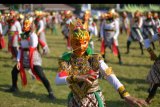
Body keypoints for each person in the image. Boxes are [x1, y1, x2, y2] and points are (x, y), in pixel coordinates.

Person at [55, 18, 148, 107]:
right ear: (71, 43)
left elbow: (109, 74)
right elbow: (58, 80)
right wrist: (78, 77)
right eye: (77, 43)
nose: (81, 46)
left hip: (93, 100)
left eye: (84, 42)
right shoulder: (66, 59)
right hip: (75, 100)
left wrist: (125, 95)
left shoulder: (94, 58)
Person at [5, 18, 56, 100]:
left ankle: (51, 93)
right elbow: (21, 49)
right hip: (23, 57)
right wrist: (18, 61)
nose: (25, 26)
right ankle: (14, 87)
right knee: (14, 71)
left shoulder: (33, 35)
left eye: (27, 24)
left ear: (30, 25)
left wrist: (31, 34)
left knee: (41, 75)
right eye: (24, 24)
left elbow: (33, 46)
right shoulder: (22, 35)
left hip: (33, 58)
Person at [144, 27, 160, 104]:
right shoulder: (158, 35)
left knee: (156, 80)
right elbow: (146, 41)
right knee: (156, 80)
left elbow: (146, 41)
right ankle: (149, 98)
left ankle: (149, 98)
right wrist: (151, 53)